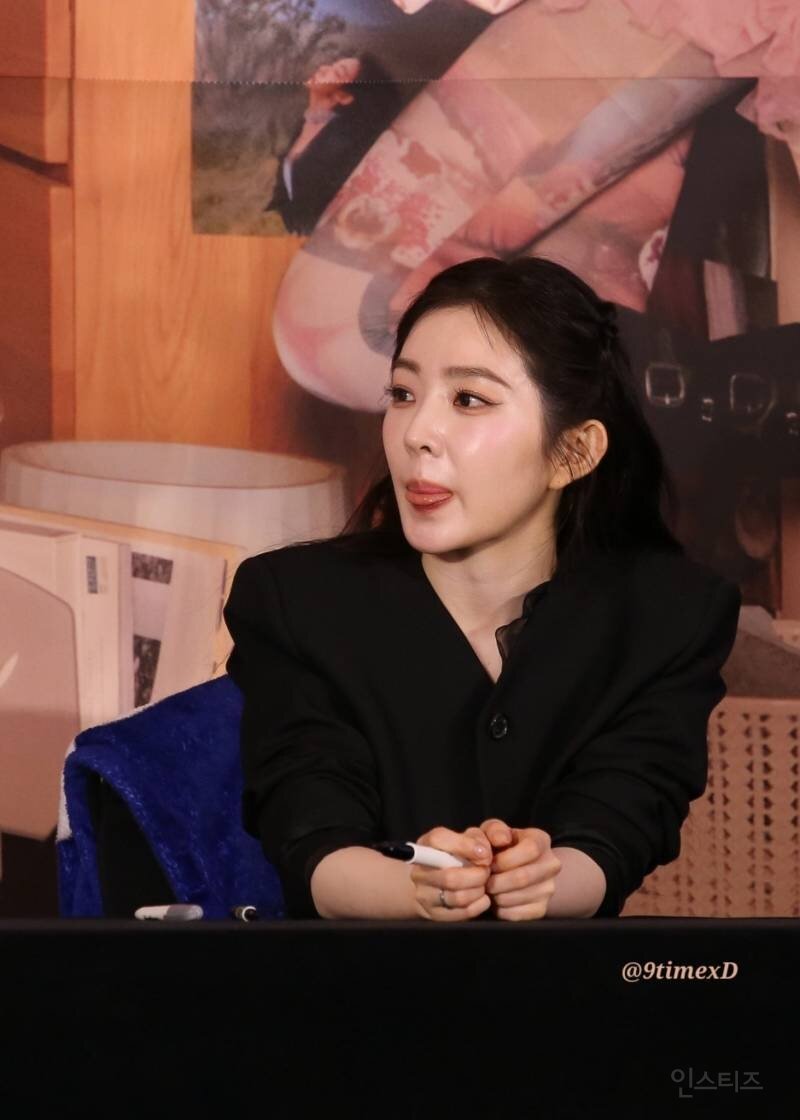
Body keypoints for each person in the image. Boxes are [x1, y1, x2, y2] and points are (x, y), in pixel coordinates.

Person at [224, 256, 741, 922]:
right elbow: (310, 833)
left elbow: (624, 820)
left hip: (563, 986)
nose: (416, 434)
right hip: (351, 982)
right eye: (403, 394)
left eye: (468, 399)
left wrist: (542, 880)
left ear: (574, 453)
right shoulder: (294, 601)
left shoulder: (669, 616)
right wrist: (416, 890)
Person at [265, 53, 405, 236]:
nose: (323, 68)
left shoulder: (337, 144)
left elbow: (312, 209)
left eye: (337, 72)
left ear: (343, 97)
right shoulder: (308, 122)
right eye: (332, 65)